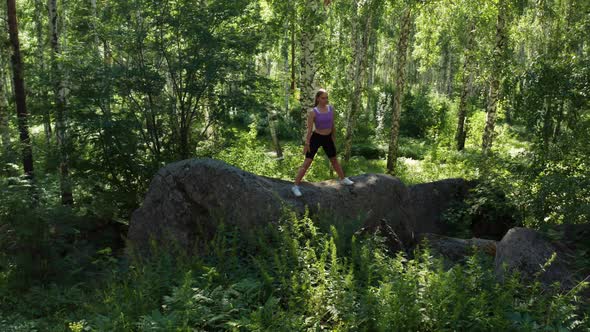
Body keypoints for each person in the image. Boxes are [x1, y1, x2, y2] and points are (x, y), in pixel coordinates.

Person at [292, 89, 354, 197]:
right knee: (307, 162)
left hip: (328, 138)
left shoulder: (331, 109)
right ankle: (295, 186)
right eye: (323, 98)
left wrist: (333, 140)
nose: (326, 100)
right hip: (316, 138)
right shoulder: (313, 112)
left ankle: (343, 179)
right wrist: (307, 144)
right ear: (318, 99)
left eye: (327, 97)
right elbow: (310, 129)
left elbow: (332, 125)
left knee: (334, 159)